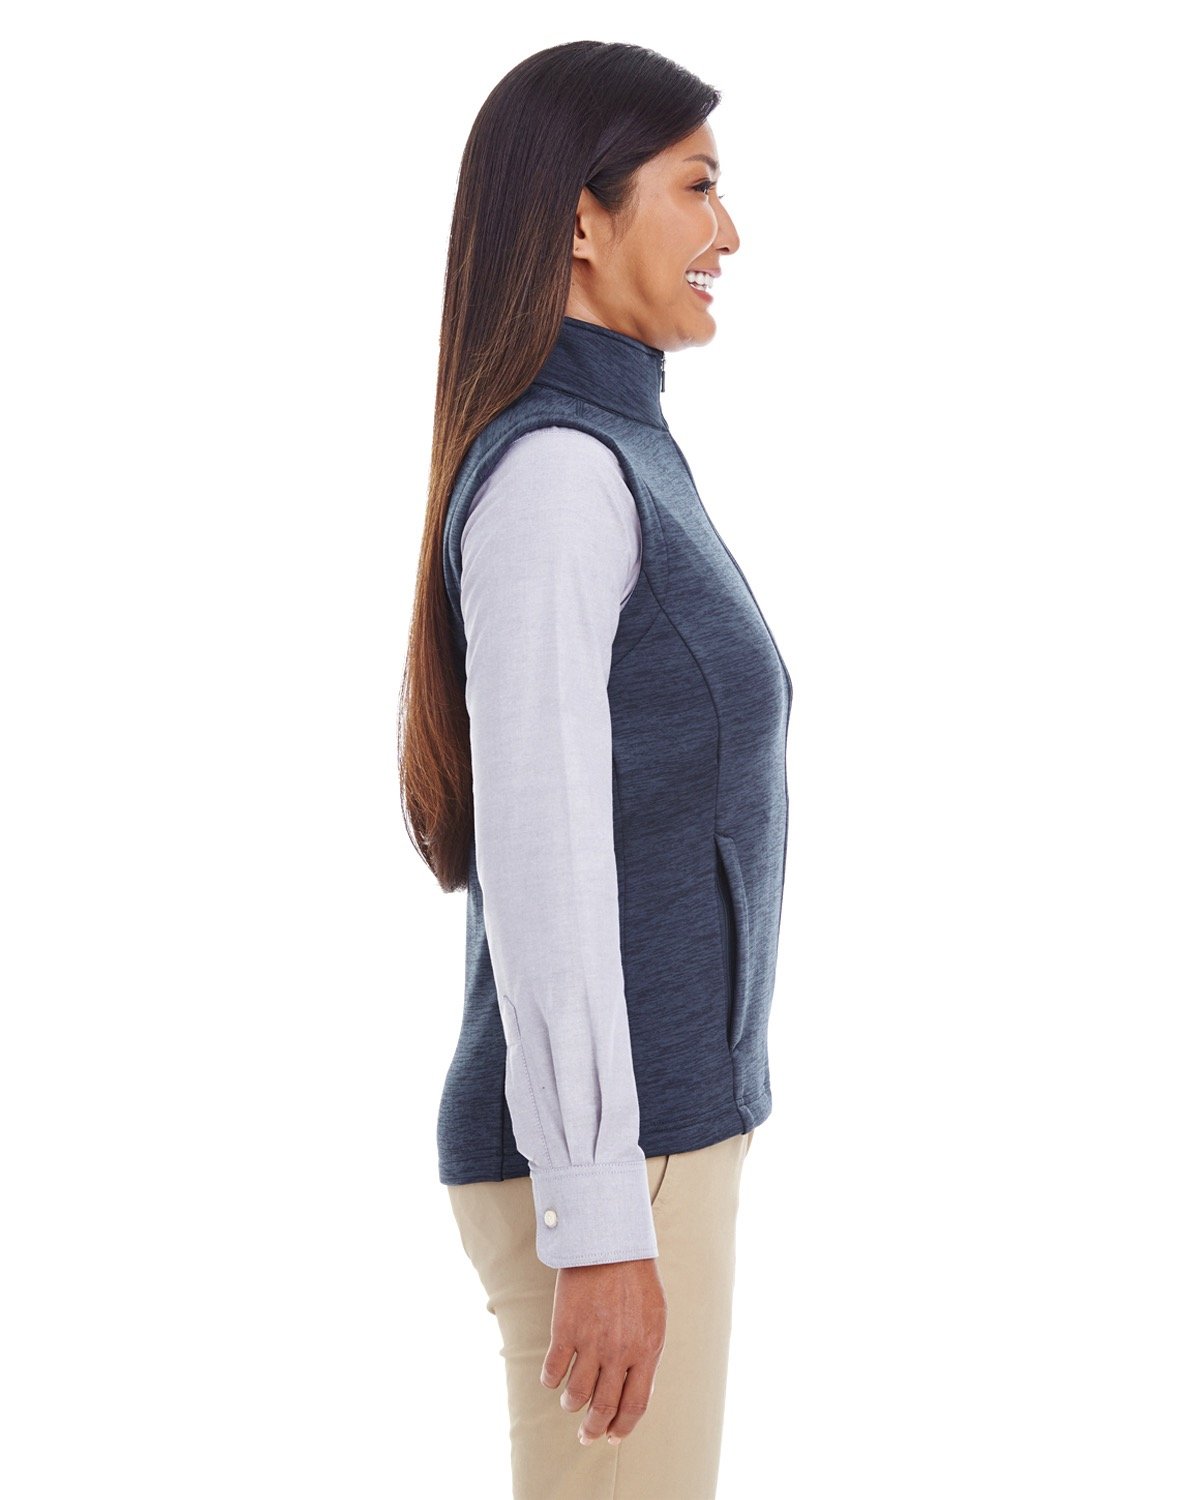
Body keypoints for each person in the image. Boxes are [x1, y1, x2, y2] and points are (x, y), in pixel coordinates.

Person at [398, 40, 792, 1500]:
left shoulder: (622, 446)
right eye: (696, 187)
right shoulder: (562, 474)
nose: (727, 232)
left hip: (655, 1152)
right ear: (582, 216)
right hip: (620, 1174)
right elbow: (546, 855)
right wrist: (598, 1212)